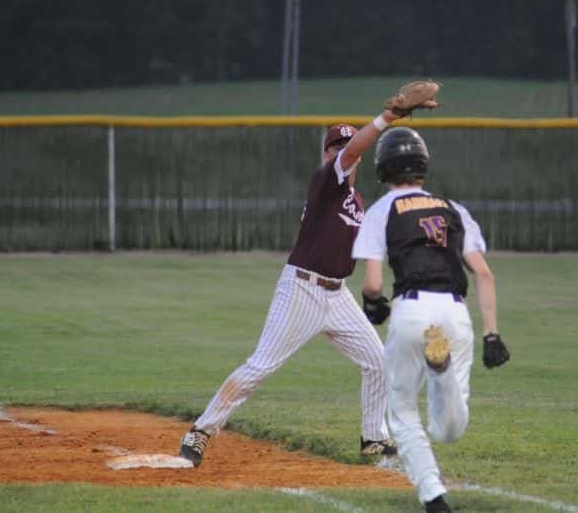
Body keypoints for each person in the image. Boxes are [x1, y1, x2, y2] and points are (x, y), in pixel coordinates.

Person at [179, 83, 440, 467]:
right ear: (327, 154)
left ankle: (373, 438)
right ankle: (201, 430)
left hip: (337, 295)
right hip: (302, 289)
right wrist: (388, 117)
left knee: (377, 361)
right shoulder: (325, 182)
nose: (345, 151)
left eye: (346, 146)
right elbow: (353, 151)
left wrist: (379, 287)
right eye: (337, 147)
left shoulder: (356, 201)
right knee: (261, 366)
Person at [351, 126, 511, 513]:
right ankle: (441, 371)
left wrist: (374, 303)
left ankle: (433, 496)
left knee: (402, 410)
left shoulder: (381, 210)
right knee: (449, 430)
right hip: (454, 311)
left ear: (383, 168)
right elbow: (483, 274)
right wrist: (492, 334)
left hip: (411, 309)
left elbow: (372, 283)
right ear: (423, 166)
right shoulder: (453, 209)